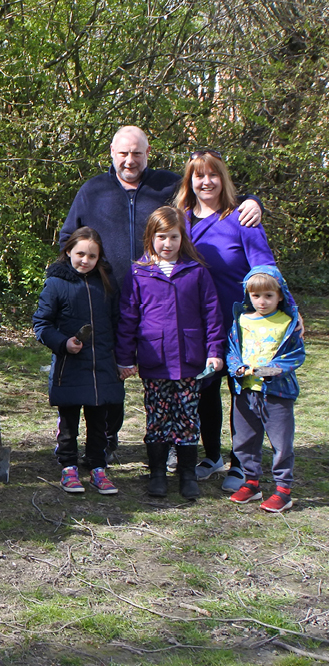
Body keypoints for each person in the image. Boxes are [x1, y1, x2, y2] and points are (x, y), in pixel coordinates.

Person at [59, 125, 263, 466]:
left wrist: (251, 201)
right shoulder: (93, 190)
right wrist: (69, 283)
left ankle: (177, 443)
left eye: (137, 153)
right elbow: (69, 237)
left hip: (167, 300)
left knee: (175, 374)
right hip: (106, 298)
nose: (129, 160)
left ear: (147, 152)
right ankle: (107, 440)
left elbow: (211, 197)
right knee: (113, 371)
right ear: (111, 152)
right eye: (123, 153)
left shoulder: (167, 186)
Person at [173, 149, 277, 492]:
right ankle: (212, 456)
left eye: (213, 174)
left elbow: (266, 270)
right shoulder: (181, 219)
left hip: (241, 326)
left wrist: (288, 310)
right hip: (196, 324)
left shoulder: (242, 218)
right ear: (190, 180)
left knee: (242, 392)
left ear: (223, 178)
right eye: (198, 175)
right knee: (204, 391)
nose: (206, 182)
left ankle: (243, 465)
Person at [115, 206, 224, 500]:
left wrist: (215, 351)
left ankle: (187, 474)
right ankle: (158, 473)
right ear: (151, 237)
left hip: (190, 360)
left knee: (187, 419)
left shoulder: (196, 271)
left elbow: (212, 314)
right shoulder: (139, 272)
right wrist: (125, 358)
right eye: (161, 237)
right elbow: (128, 318)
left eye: (173, 237)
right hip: (154, 361)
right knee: (158, 419)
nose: (167, 243)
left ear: (182, 238)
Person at [33, 227, 124, 494]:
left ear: (99, 258)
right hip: (69, 366)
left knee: (99, 423)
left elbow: (118, 321)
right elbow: (42, 324)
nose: (85, 260)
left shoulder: (106, 282)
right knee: (69, 422)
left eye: (92, 256)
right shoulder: (56, 283)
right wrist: (63, 343)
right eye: (80, 254)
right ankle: (68, 467)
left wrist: (124, 358)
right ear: (68, 251)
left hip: (103, 366)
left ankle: (98, 467)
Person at [226, 266, 304, 513]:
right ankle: (251, 482)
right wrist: (237, 368)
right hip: (245, 392)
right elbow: (231, 352)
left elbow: (295, 356)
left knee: (281, 442)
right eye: (256, 296)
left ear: (280, 296)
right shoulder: (241, 320)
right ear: (248, 295)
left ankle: (283, 490)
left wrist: (267, 371)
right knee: (244, 440)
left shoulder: (289, 323)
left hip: (277, 394)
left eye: (268, 296)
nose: (262, 301)